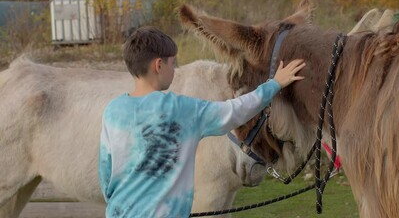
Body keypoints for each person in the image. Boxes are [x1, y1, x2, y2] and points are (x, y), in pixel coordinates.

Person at [98, 26, 305, 217]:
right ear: (159, 65)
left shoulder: (113, 111)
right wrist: (275, 84)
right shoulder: (182, 110)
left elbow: (106, 171)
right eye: (173, 63)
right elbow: (235, 111)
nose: (175, 69)